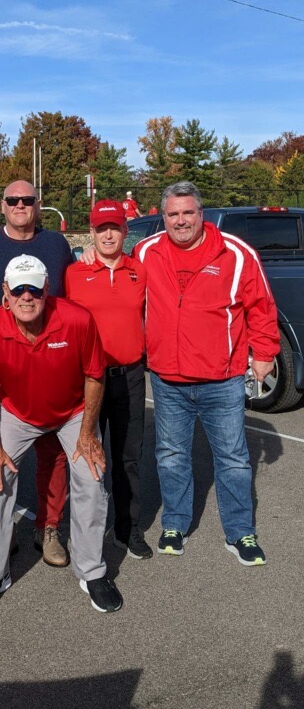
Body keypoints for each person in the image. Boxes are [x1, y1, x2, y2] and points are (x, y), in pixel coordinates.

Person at [0, 255, 122, 613]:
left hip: (72, 412)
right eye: (17, 288)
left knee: (92, 475)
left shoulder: (77, 320)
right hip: (18, 413)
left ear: (46, 288)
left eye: (33, 287)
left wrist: (87, 434)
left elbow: (94, 376)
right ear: (5, 292)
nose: (26, 295)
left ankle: (91, 571)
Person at [134, 180, 279, 565]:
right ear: (162, 216)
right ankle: (175, 524)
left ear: (202, 214)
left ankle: (240, 532)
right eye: (173, 214)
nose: (181, 221)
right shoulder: (146, 252)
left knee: (232, 458)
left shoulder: (236, 254)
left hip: (223, 378)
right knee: (171, 454)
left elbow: (262, 307)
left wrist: (264, 353)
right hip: (167, 378)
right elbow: (118, 283)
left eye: (188, 213)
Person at [0, 179, 73, 567]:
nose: (20, 205)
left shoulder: (56, 246)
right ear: (4, 206)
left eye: (28, 200)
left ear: (37, 205)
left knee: (54, 451)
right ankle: (0, 529)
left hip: (48, 358)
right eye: (13, 200)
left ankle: (48, 527)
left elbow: (70, 298)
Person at [65, 200, 151, 560]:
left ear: (125, 230)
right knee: (87, 457)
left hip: (129, 375)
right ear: (92, 232)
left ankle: (127, 529)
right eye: (102, 228)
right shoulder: (74, 273)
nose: (109, 234)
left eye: (115, 227)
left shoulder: (139, 271)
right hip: (88, 379)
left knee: (128, 457)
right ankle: (85, 533)